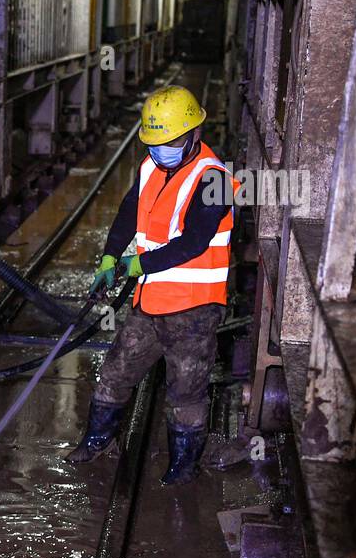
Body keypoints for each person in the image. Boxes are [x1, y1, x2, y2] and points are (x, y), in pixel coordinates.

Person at [67, 85, 238, 485]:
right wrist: (110, 256)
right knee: (115, 372)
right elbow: (130, 210)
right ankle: (96, 441)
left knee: (186, 393)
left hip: (194, 312)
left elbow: (194, 243)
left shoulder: (217, 180)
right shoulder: (150, 166)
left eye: (171, 141)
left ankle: (182, 467)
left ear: (195, 133)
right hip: (149, 304)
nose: (162, 150)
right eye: (156, 142)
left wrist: (136, 264)